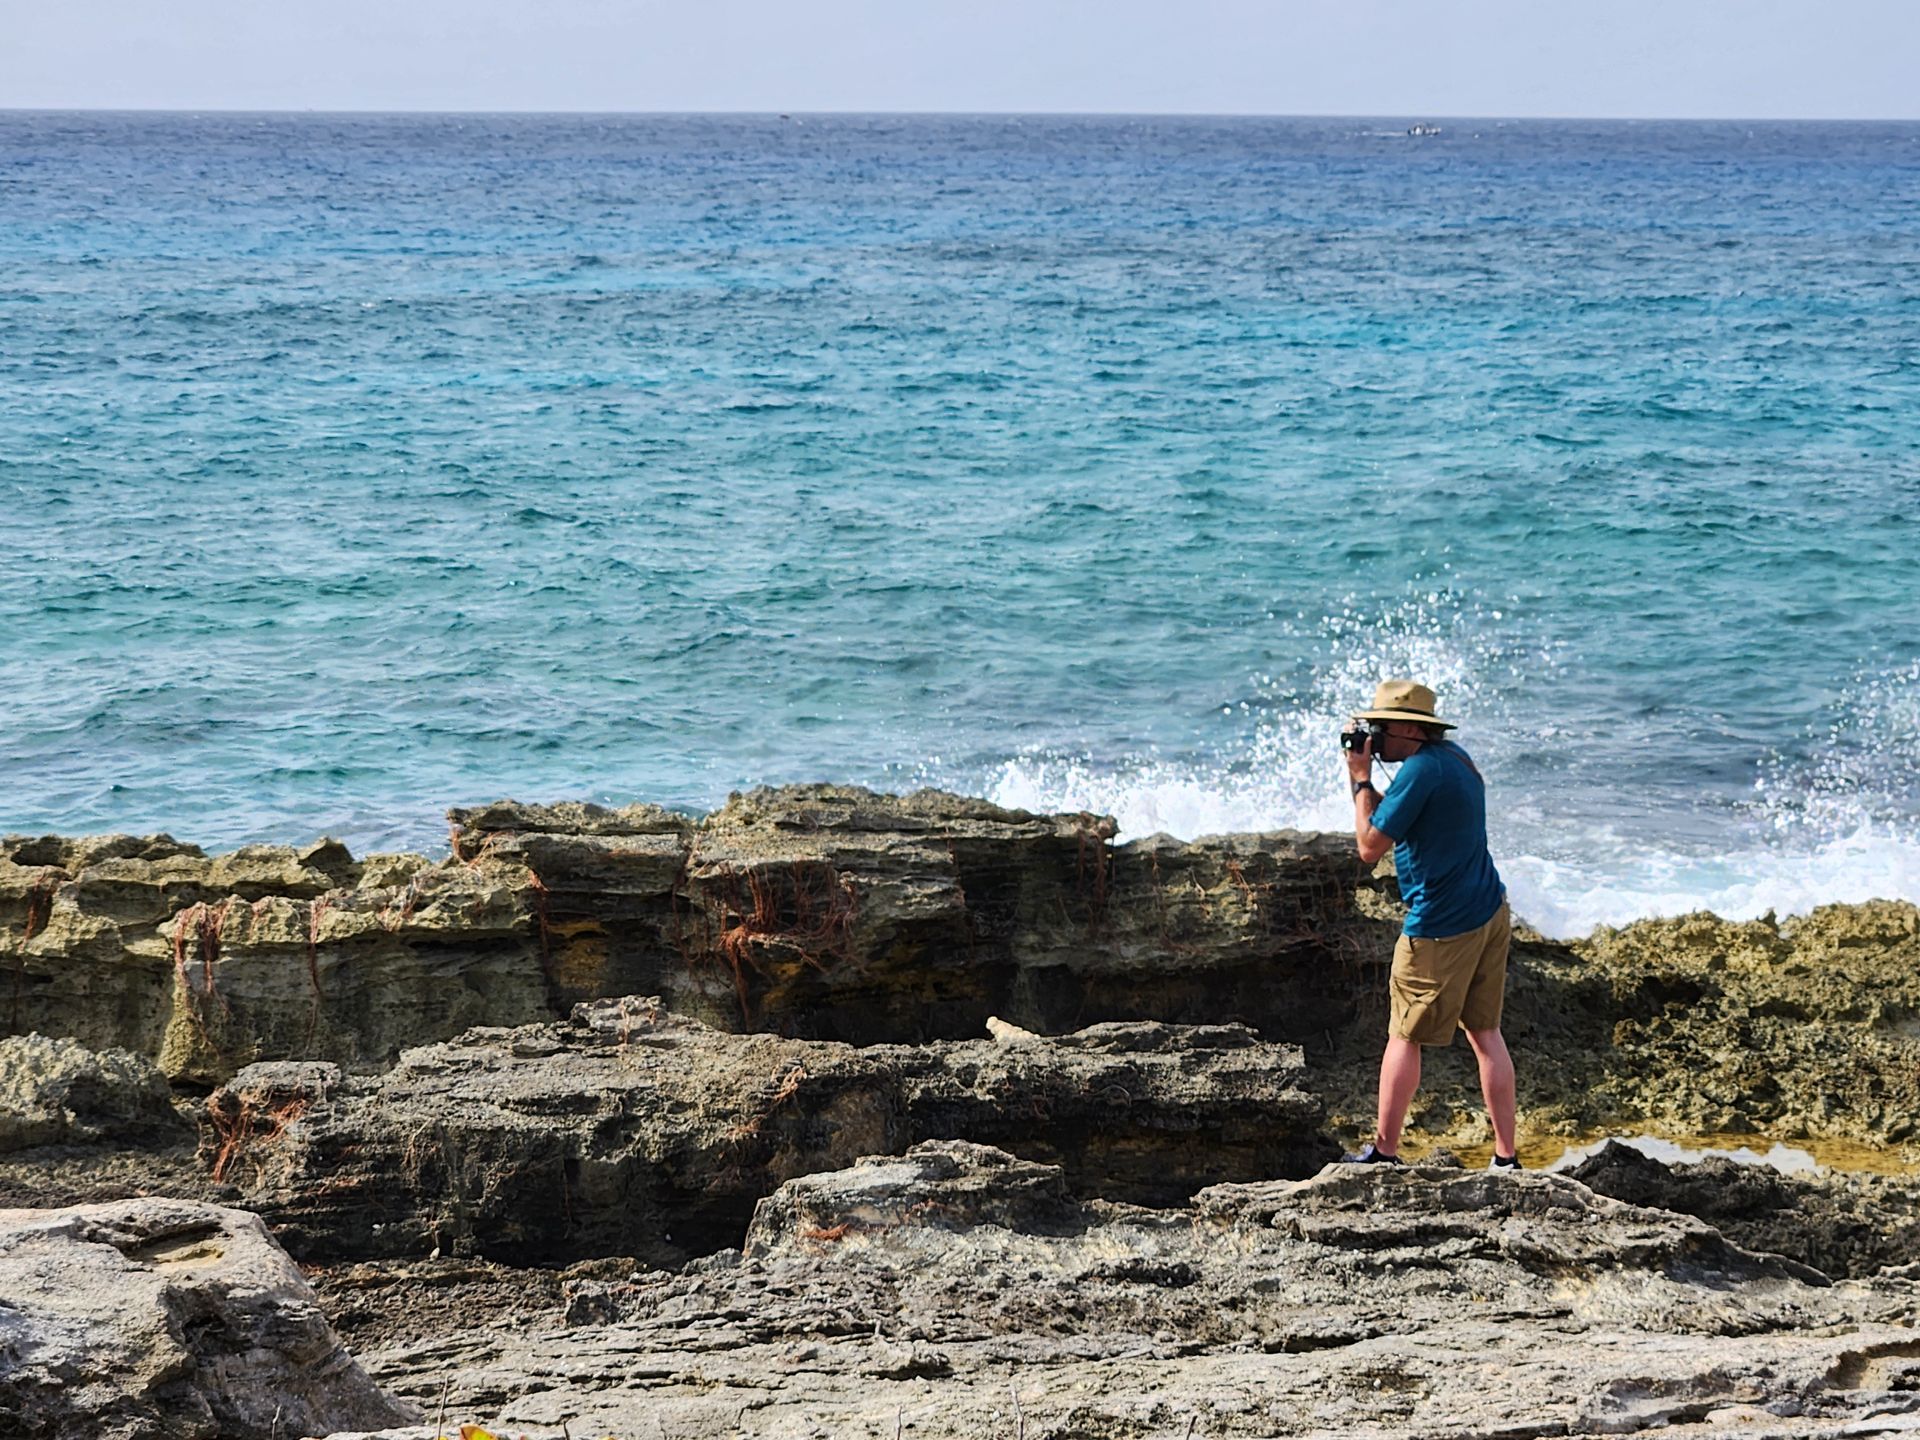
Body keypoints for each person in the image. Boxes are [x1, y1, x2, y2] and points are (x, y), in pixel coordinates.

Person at [1340, 679, 1518, 1169]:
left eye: (1380, 726)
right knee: (1487, 1034)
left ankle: (1384, 1151)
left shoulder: (1419, 771)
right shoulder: (1453, 759)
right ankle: (1507, 1158)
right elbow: (1404, 815)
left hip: (1441, 926)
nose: (1374, 735)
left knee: (1404, 1034)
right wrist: (1369, 779)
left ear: (1408, 729)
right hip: (1489, 909)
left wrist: (1358, 779)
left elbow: (1369, 847)